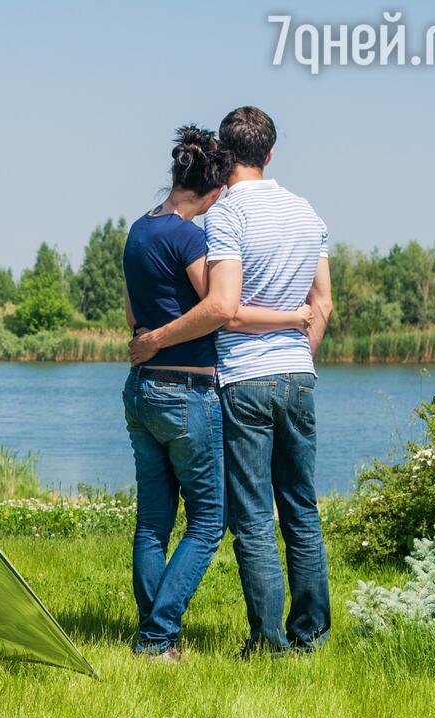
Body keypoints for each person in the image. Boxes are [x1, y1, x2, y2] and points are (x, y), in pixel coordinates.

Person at [132, 107, 334, 655]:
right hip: (299, 374)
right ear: (270, 154)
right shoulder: (306, 212)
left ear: (226, 155)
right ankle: (309, 634)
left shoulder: (226, 216)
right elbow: (323, 303)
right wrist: (297, 351)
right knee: (301, 505)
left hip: (243, 378)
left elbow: (227, 309)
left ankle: (268, 641)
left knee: (250, 514)